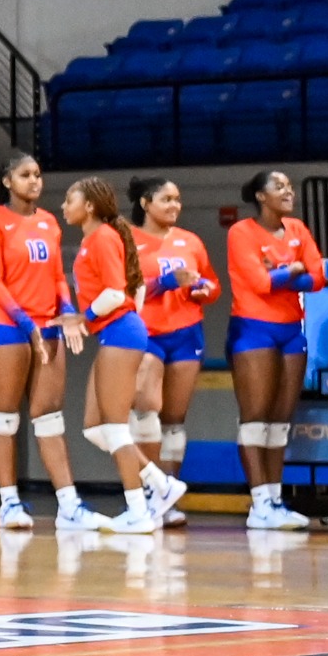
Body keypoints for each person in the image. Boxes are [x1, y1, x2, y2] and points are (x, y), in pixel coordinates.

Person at [0, 152, 108, 531]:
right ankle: (9, 503)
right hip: (5, 326)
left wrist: (67, 310)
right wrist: (24, 322)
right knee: (4, 417)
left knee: (49, 417)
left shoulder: (49, 222)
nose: (34, 181)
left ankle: (69, 505)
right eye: (25, 175)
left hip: (47, 325)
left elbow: (56, 277)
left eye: (37, 175)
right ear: (7, 181)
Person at [69, 177, 189, 533]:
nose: (64, 206)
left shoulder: (102, 237)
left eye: (69, 199)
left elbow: (115, 291)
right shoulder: (101, 238)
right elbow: (135, 287)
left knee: (115, 426)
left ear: (89, 205)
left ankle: (139, 509)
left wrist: (85, 318)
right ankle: (161, 483)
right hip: (118, 332)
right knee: (94, 427)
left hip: (120, 332)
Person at [227, 169, 325, 530]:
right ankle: (259, 503)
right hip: (253, 329)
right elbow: (258, 282)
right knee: (255, 418)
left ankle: (274, 499)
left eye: (289, 185)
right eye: (278, 186)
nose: (288, 191)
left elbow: (316, 278)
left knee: (280, 422)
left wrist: (284, 273)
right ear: (260, 197)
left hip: (291, 329)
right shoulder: (242, 232)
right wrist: (290, 272)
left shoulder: (298, 229)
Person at [127, 175, 218, 526]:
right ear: (145, 204)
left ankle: (168, 495)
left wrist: (204, 290)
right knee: (146, 411)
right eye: (166, 199)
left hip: (185, 332)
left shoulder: (190, 241)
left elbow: (211, 283)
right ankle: (146, 491)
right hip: (147, 333)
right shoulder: (129, 241)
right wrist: (166, 282)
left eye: (178, 199)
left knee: (175, 420)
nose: (175, 206)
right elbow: (126, 291)